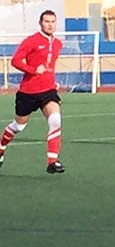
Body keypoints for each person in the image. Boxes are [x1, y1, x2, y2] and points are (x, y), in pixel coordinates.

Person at [0, 10, 66, 174]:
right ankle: (1, 148)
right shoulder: (31, 41)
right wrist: (33, 70)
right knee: (18, 126)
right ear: (40, 23)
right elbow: (15, 60)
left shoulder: (58, 43)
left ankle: (52, 161)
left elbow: (49, 65)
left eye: (53, 21)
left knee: (55, 119)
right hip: (28, 92)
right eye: (46, 21)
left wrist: (52, 80)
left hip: (48, 91)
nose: (50, 24)